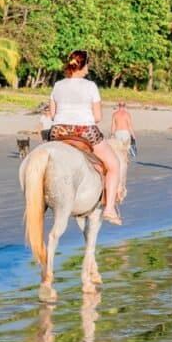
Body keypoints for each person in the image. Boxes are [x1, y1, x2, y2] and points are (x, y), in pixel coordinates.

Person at [48, 50, 122, 225]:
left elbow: (52, 114)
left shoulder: (58, 85)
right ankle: (110, 208)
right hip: (84, 131)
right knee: (114, 165)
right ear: (82, 65)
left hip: (58, 131)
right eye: (88, 63)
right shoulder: (90, 86)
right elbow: (97, 117)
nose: (89, 67)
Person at [110, 102, 136, 195]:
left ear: (118, 106)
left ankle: (119, 163)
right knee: (125, 151)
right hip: (125, 132)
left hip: (117, 132)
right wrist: (133, 135)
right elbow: (129, 126)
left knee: (118, 150)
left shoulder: (115, 114)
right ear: (125, 106)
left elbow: (113, 126)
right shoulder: (127, 114)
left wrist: (112, 135)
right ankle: (124, 163)